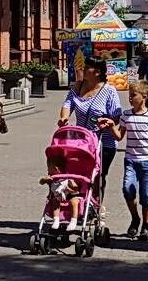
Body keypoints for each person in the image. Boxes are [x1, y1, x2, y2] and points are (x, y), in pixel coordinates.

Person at [98, 81, 148, 241]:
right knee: (127, 189)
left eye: (133, 95)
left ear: (144, 97)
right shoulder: (126, 115)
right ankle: (135, 218)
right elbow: (119, 136)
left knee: (146, 196)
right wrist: (111, 126)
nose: (130, 98)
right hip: (131, 160)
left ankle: (146, 226)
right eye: (129, 95)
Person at [58, 55, 122, 200]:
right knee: (79, 173)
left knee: (98, 175)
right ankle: (80, 204)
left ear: (97, 72)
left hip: (103, 142)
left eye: (88, 68)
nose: (84, 70)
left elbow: (117, 115)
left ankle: (97, 204)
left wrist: (108, 121)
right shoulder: (78, 87)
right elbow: (68, 104)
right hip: (81, 142)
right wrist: (64, 118)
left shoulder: (109, 91)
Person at [40, 156, 81, 231]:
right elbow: (41, 182)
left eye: (49, 168)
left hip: (70, 196)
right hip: (57, 197)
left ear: (56, 169)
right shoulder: (52, 178)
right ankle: (56, 220)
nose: (47, 170)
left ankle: (73, 220)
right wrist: (45, 179)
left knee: (74, 201)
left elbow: (76, 188)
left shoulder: (68, 177)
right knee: (55, 202)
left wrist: (70, 187)